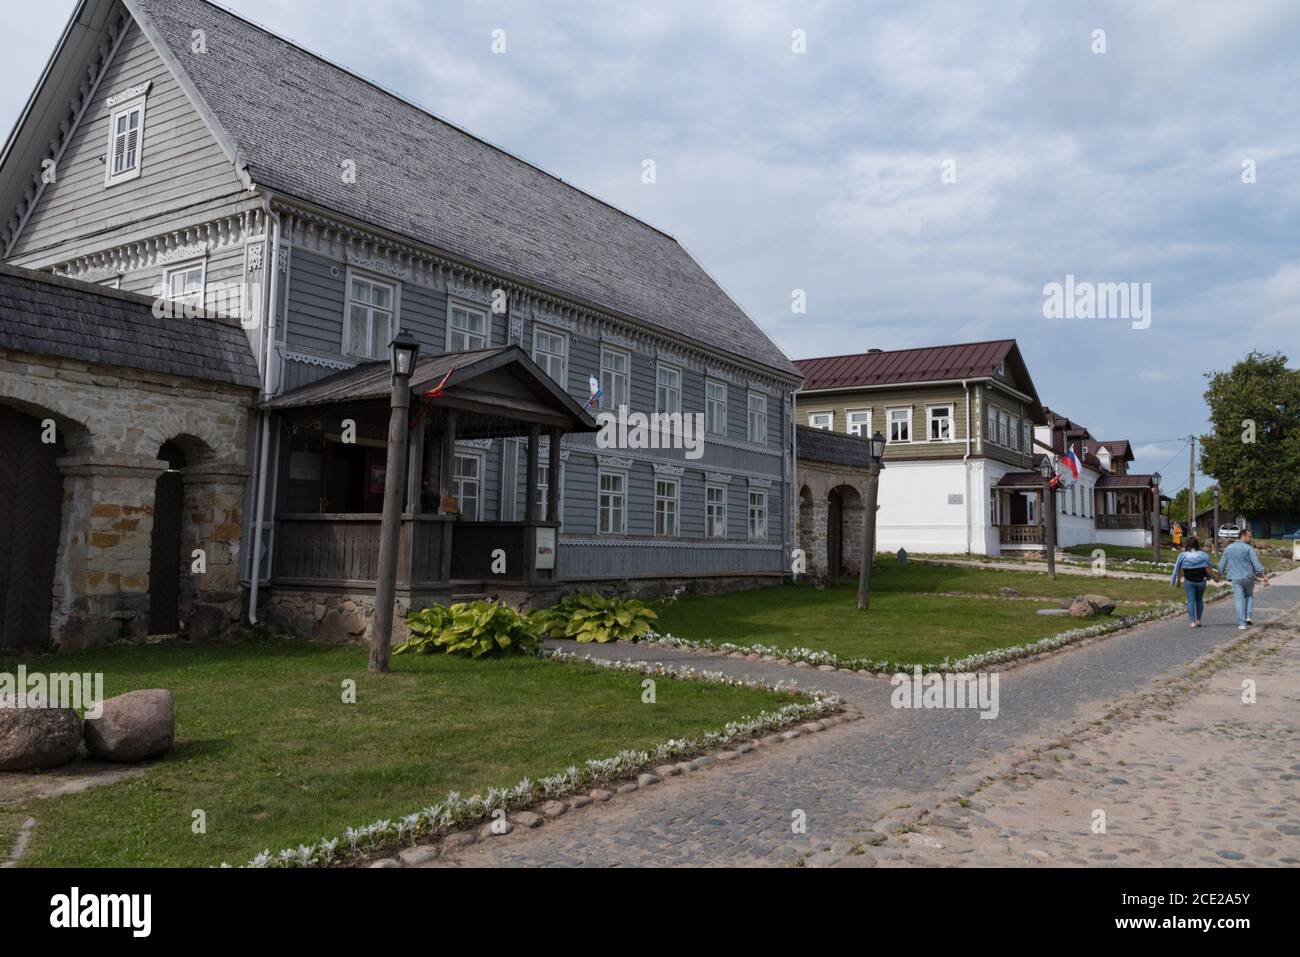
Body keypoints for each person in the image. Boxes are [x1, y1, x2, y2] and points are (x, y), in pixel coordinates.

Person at [1218, 528, 1269, 629]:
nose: (1250, 539)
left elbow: (1221, 564)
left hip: (1235, 578)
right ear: (1243, 536)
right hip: (1248, 577)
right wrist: (1264, 575)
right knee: (1249, 596)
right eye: (1249, 537)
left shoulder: (1228, 548)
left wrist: (1220, 574)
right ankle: (1248, 617)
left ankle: (1242, 623)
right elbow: (1256, 563)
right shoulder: (1248, 548)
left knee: (1238, 599)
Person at [1170, 536, 1214, 627]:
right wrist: (1213, 577)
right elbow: (1208, 567)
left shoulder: (1183, 555)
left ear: (1187, 545)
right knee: (1199, 600)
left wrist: (1177, 581)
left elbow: (1180, 568)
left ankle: (1192, 622)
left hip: (1189, 581)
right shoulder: (1203, 555)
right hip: (1201, 581)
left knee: (1190, 601)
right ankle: (1198, 620)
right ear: (1197, 545)